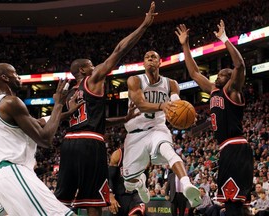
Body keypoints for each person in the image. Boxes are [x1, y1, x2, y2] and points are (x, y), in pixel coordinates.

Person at [54, 2, 157, 216]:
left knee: (62, 201)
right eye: (91, 65)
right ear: (83, 70)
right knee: (95, 201)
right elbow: (118, 51)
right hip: (90, 144)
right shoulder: (92, 80)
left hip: (69, 143)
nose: (96, 67)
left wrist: (124, 118)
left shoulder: (70, 94)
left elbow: (94, 121)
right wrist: (144, 26)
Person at [176, 20, 253, 216]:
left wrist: (224, 39)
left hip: (236, 147)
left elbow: (240, 65)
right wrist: (185, 45)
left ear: (230, 78)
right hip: (227, 149)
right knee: (232, 202)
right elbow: (193, 72)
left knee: (233, 202)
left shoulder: (232, 91)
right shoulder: (213, 90)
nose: (217, 76)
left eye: (221, 74)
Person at [0, 63, 77, 215]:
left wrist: (67, 113)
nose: (18, 77)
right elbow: (45, 139)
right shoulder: (11, 102)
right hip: (13, 172)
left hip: (0, 178)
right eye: (15, 73)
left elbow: (39, 122)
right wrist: (59, 104)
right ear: (5, 77)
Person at [122, 50, 201, 208]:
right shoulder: (135, 80)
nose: (150, 59)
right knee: (128, 184)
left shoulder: (171, 84)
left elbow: (176, 105)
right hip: (135, 134)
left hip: (157, 128)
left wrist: (187, 116)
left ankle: (187, 186)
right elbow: (141, 104)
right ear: (143, 63)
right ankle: (140, 183)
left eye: (154, 57)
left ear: (159, 63)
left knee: (168, 150)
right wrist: (161, 105)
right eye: (147, 57)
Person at [108, 147, 145, 216]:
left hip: (135, 195)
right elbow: (109, 177)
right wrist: (111, 196)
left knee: (137, 213)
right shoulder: (118, 154)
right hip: (119, 196)